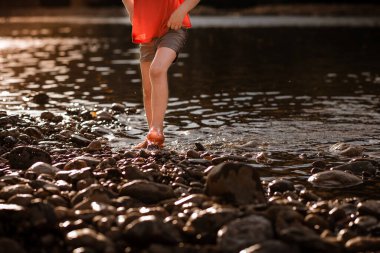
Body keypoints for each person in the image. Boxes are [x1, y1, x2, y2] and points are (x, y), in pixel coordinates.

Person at [122, 0, 200, 149]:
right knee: (147, 90)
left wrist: (181, 11)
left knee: (156, 70)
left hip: (173, 28)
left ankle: (156, 129)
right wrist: (131, 11)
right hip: (147, 31)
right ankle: (153, 139)